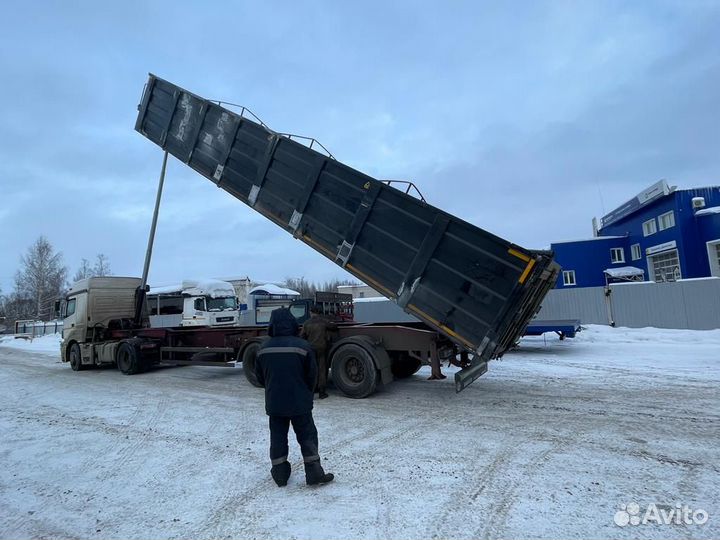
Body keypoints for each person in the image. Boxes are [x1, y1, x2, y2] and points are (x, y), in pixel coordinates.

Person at [255, 307, 334, 487]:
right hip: (300, 403)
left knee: (278, 437)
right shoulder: (303, 347)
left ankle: (280, 475)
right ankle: (314, 473)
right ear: (292, 323)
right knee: (307, 436)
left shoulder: (262, 348)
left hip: (275, 403)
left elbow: (260, 379)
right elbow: (312, 376)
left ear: (272, 325)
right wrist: (306, 393)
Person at [301, 306, 337, 399]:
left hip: (311, 349)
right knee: (322, 369)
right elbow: (334, 327)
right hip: (321, 348)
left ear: (311, 312)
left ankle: (312, 390)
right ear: (318, 313)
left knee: (312, 369)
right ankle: (322, 392)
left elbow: (302, 336)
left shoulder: (306, 323)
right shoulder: (323, 321)